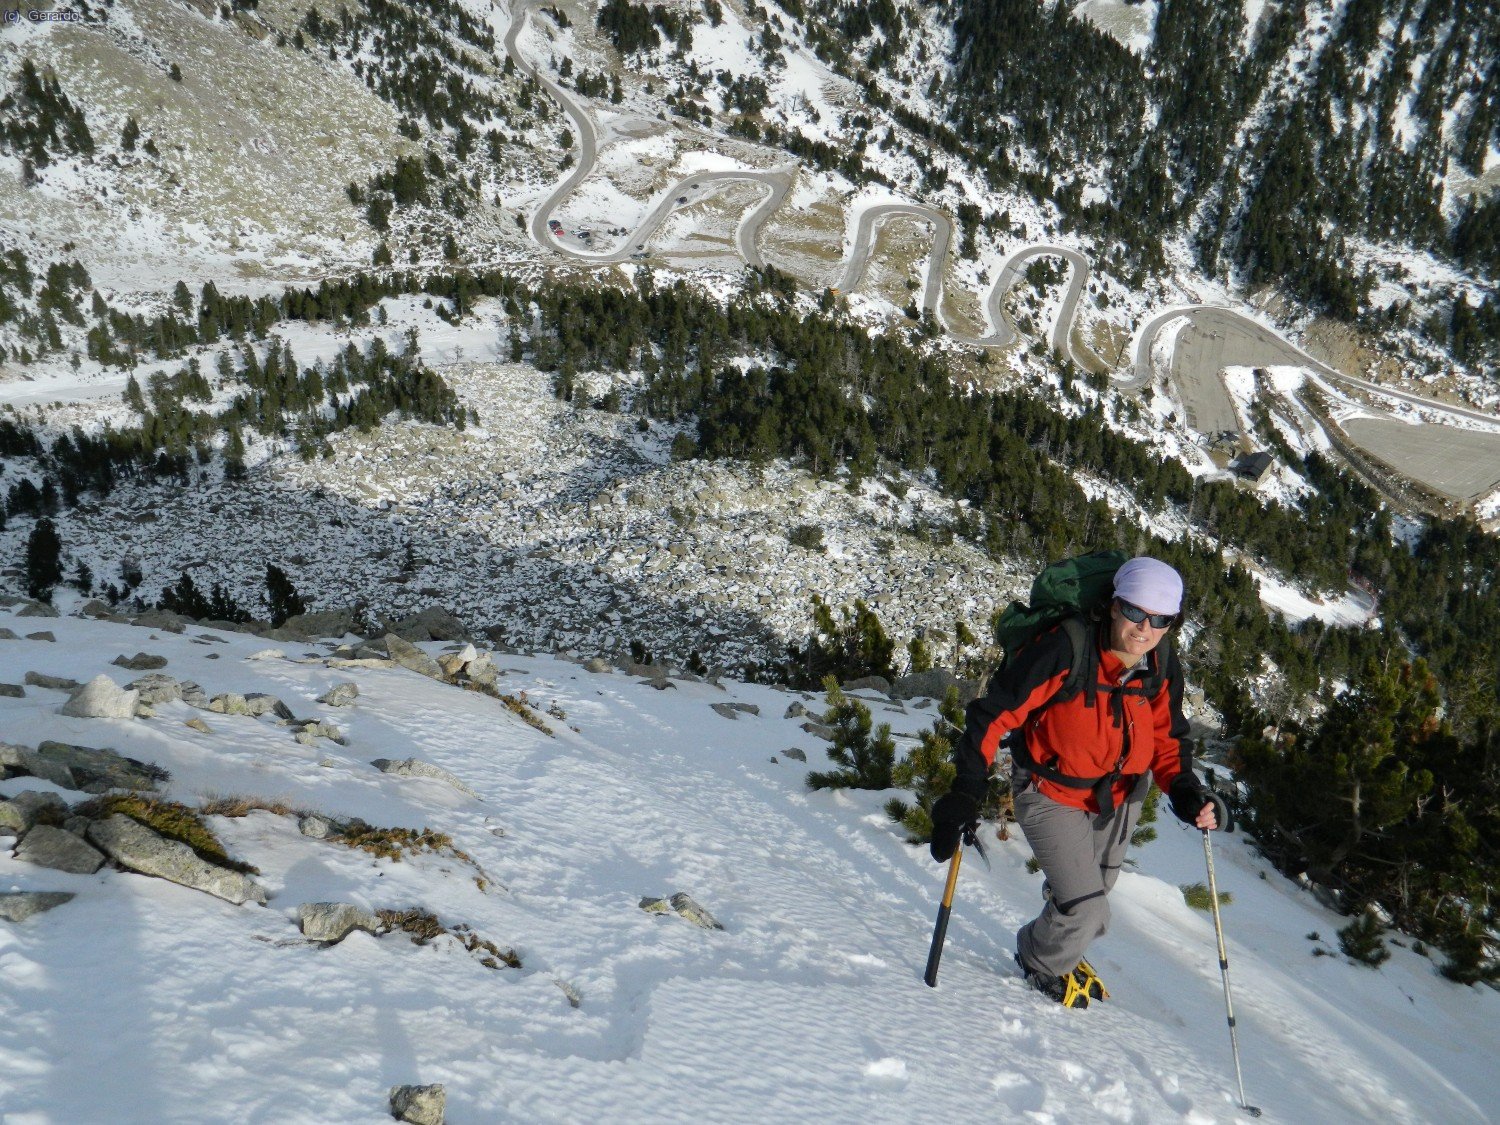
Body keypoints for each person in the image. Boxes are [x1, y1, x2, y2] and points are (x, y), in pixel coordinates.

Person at [929, 556, 1228, 1008]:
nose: (1144, 629)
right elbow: (993, 715)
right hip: (1050, 791)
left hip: (1121, 797)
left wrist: (1185, 791)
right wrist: (966, 790)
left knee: (1094, 890)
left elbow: (1168, 737)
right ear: (1113, 605)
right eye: (1134, 611)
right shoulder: (1065, 649)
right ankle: (1041, 960)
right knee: (1088, 908)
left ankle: (1062, 932)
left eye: (1160, 619)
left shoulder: (1162, 663)